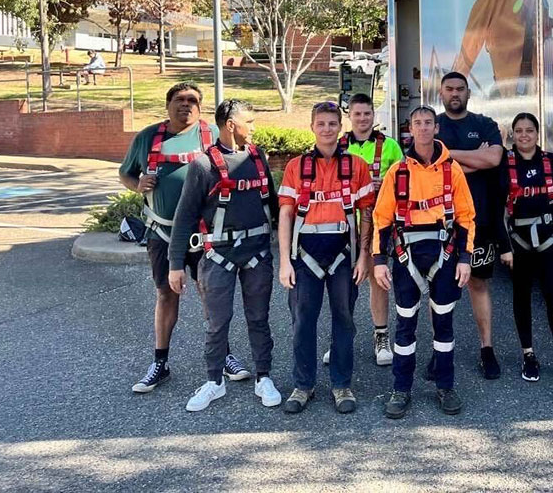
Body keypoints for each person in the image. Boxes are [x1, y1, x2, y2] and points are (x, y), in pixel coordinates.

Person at [119, 83, 250, 393]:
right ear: (168, 105)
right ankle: (160, 363)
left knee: (211, 295)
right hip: (162, 232)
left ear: (200, 108)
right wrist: (138, 184)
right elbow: (126, 173)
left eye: (193, 101)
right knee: (166, 293)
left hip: (205, 235)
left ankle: (224, 356)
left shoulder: (210, 135)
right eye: (180, 100)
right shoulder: (149, 138)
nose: (186, 105)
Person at [169, 98, 281, 412]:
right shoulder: (203, 166)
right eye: (251, 121)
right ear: (231, 125)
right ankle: (214, 382)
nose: (255, 127)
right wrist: (175, 265)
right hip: (217, 256)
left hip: (258, 253)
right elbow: (185, 217)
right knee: (217, 323)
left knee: (259, 319)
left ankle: (263, 377)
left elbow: (273, 206)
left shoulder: (258, 158)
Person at [373, 105, 476, 418]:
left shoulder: (451, 170)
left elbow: (465, 216)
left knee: (443, 325)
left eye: (428, 122)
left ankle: (445, 385)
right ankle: (401, 388)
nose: (422, 128)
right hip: (407, 258)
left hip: (445, 257)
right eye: (417, 123)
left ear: (436, 128)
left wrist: (465, 258)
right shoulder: (398, 172)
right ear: (410, 129)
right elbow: (382, 217)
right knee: (405, 327)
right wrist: (379, 260)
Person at [277, 101, 375, 414]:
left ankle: (341, 385)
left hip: (343, 256)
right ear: (312, 127)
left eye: (333, 123)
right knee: (303, 322)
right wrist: (283, 261)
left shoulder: (355, 166)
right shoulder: (297, 167)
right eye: (321, 123)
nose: (327, 129)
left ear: (340, 127)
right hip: (304, 256)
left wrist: (364, 258)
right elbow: (285, 214)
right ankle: (303, 386)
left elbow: (367, 214)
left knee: (344, 321)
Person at [435, 71, 511, 379]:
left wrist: (447, 156)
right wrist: (473, 157)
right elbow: (429, 165)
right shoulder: (433, 124)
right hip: (439, 222)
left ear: (469, 93)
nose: (455, 93)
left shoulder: (485, 125)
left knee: (478, 284)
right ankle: (441, 351)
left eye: (460, 89)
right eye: (449, 89)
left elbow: (493, 160)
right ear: (441, 93)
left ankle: (487, 349)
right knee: (440, 289)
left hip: (478, 221)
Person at [320, 93, 403, 367]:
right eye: (357, 114)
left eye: (367, 113)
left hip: (380, 224)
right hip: (343, 225)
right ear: (349, 117)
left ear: (373, 116)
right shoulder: (337, 146)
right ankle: (340, 339)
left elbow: (404, 185)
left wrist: (385, 185)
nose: (363, 118)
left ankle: (381, 337)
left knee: (378, 279)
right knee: (343, 284)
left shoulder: (390, 146)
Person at [502, 112, 553, 385]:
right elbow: (498, 205)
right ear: (513, 134)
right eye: (519, 130)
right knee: (521, 297)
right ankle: (528, 354)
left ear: (537, 134)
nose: (524, 135)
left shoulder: (551, 162)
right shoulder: (506, 163)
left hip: (550, 240)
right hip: (519, 243)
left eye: (529, 130)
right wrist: (504, 247)